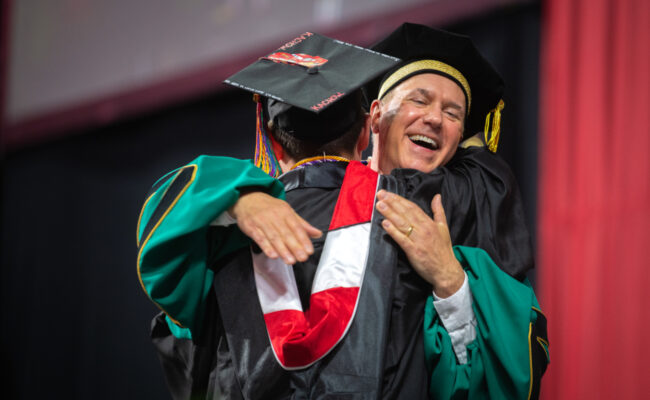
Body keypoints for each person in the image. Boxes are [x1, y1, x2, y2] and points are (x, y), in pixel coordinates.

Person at [138, 30, 547, 399]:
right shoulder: (244, 218)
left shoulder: (439, 221)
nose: (435, 118)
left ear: (276, 149)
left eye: (454, 114)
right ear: (373, 122)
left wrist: (450, 279)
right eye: (418, 100)